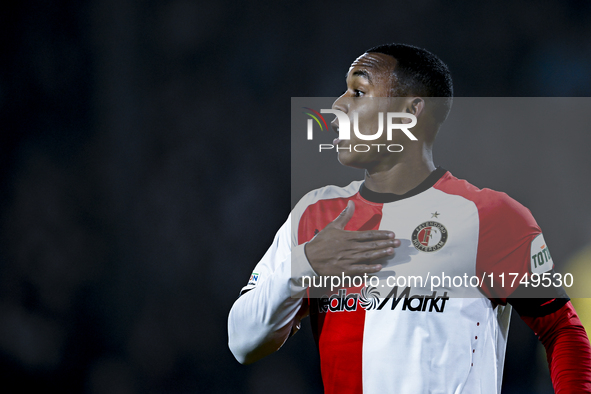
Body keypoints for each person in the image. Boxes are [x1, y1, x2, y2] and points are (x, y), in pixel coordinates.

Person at [227, 43, 591, 393]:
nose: (337, 105)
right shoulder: (314, 215)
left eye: (358, 92)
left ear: (411, 112)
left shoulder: (490, 216)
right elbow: (243, 343)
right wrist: (304, 264)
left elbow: (562, 330)